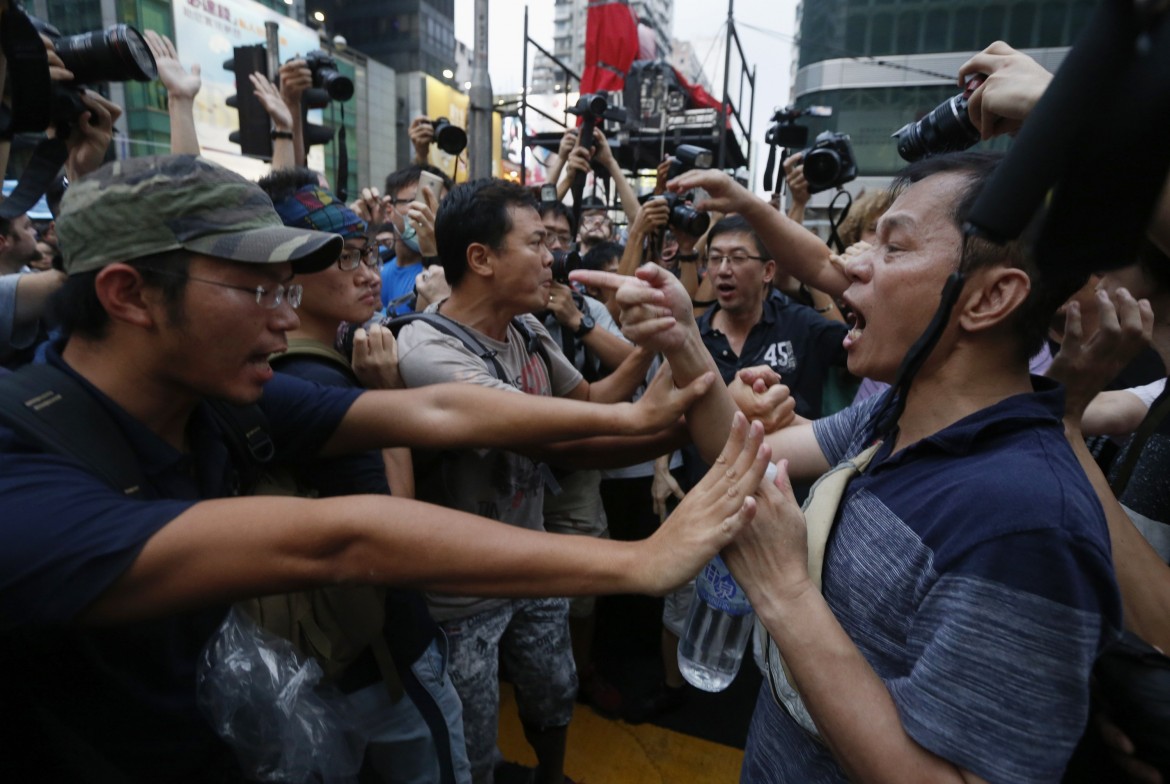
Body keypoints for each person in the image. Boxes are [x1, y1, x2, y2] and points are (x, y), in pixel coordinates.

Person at [0, 154, 774, 782]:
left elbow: (439, 412)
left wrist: (639, 416)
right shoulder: (20, 459)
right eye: (257, 287)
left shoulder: (218, 399)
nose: (283, 312)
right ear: (128, 294)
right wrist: (638, 560)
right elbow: (342, 538)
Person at [575, 150, 1122, 782]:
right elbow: (751, 453)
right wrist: (683, 338)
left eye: (892, 248)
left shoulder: (1027, 524)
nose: (849, 266)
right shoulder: (894, 414)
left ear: (991, 297)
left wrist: (783, 589)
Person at [396, 178, 673, 783]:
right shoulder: (427, 350)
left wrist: (649, 350)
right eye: (537, 243)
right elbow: (557, 434)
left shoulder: (528, 329)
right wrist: (656, 414)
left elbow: (594, 399)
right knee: (467, 733)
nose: (553, 257)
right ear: (481, 258)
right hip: (460, 591)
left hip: (532, 555)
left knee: (552, 689)